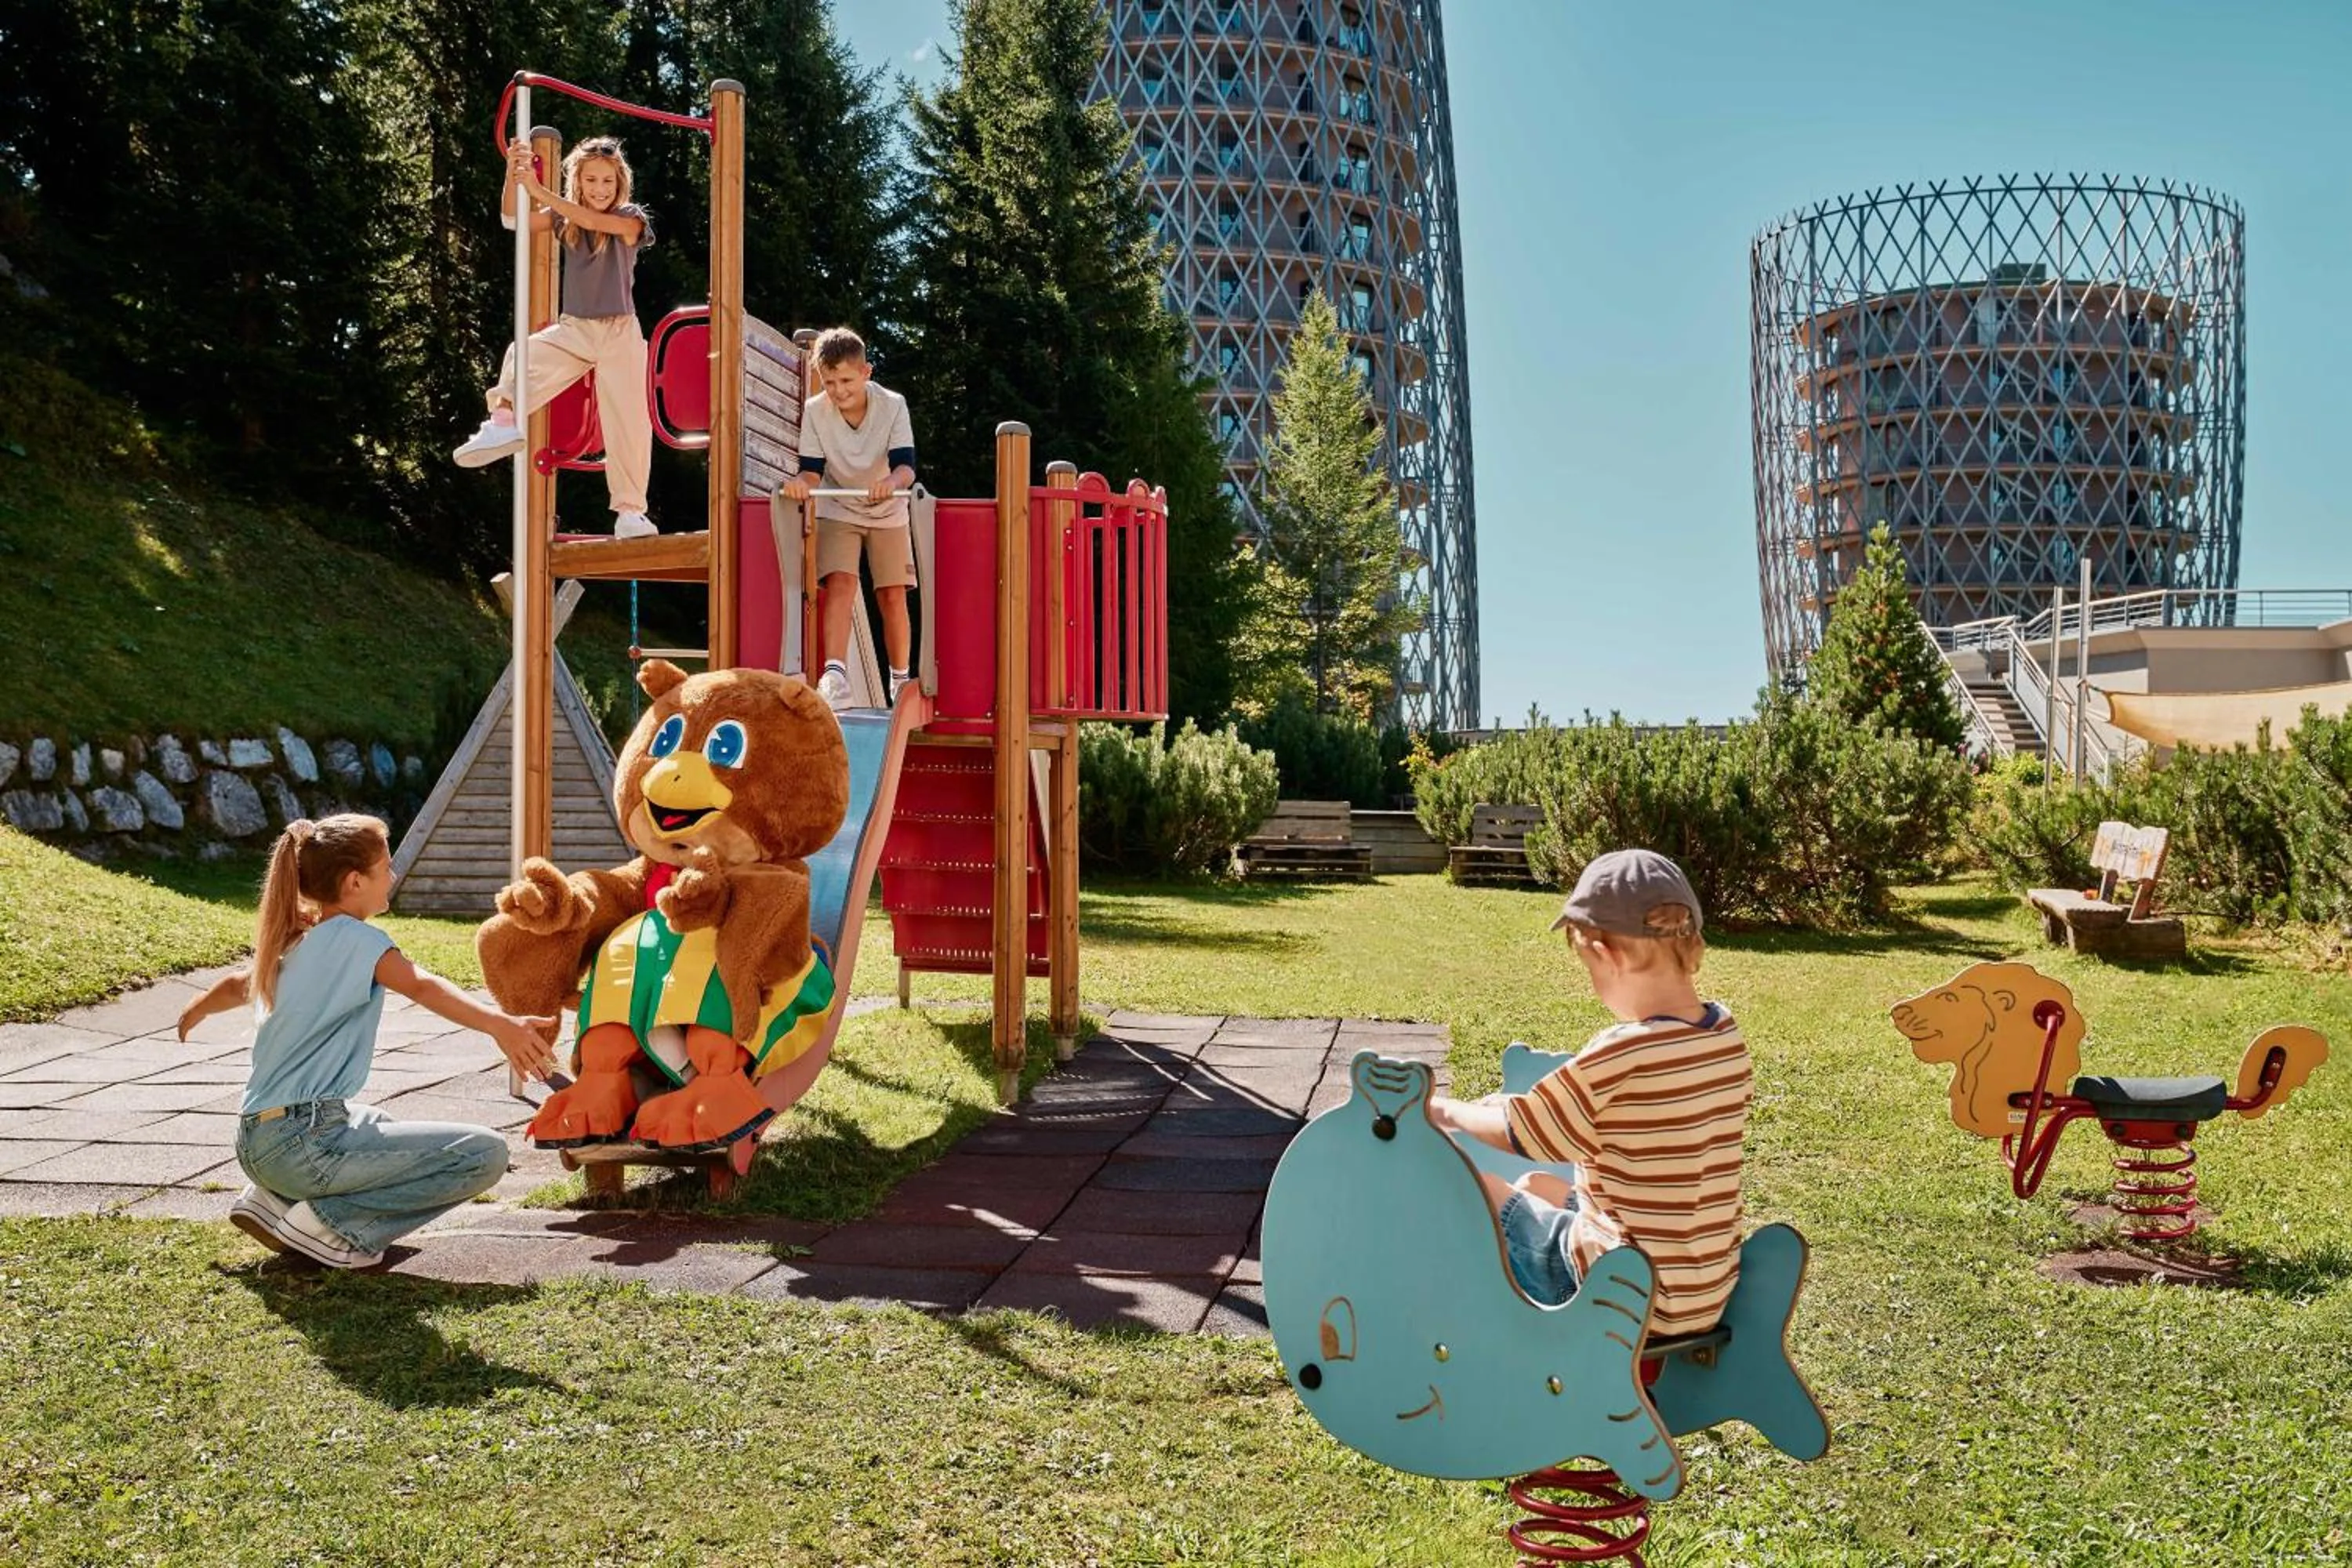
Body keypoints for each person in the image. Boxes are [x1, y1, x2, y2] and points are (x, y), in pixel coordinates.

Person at [176, 815, 561, 1270]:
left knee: (378, 1120)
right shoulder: (359, 940)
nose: (393, 877)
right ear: (355, 881)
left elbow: (236, 983)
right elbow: (422, 985)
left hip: (256, 1141)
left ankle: (273, 1202)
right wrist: (501, 1024)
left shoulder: (297, 942)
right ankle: (332, 1226)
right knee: (483, 1154)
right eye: (386, 867)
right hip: (303, 1144)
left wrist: (195, 1009)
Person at [1426, 849, 1751, 1337]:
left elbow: (1520, 1132)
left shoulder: (1623, 1053)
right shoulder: (1723, 1035)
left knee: (1485, 1190)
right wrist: (1508, 1110)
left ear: (1606, 954)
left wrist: (1448, 1110)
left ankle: (1484, 1334)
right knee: (1539, 1185)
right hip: (1701, 1291)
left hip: (1620, 1297)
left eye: (1590, 970)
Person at [452, 135, 659, 539]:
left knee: (629, 419)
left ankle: (630, 512)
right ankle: (503, 421)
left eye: (608, 183)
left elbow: (598, 222)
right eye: (592, 181)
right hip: (576, 327)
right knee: (522, 352)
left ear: (620, 186)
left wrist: (539, 190)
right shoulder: (565, 218)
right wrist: (515, 175)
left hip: (620, 331)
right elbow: (513, 219)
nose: (600, 190)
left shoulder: (631, 218)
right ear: (578, 182)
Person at [776, 327, 917, 710]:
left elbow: (907, 469)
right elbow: (811, 472)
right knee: (840, 583)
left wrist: (890, 482)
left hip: (887, 507)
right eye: (830, 381)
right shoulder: (816, 411)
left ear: (867, 373)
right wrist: (799, 485)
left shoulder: (892, 405)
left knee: (891, 593)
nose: (839, 390)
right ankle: (835, 674)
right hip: (841, 503)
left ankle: (900, 678)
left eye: (847, 381)